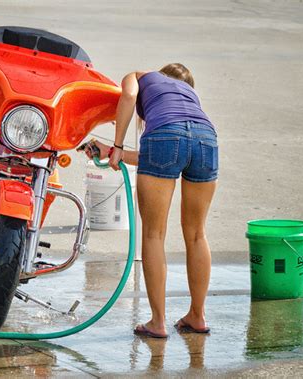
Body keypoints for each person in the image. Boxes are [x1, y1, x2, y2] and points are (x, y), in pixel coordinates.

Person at [83, 63, 218, 338]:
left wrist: (117, 145)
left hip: (165, 138)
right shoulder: (189, 98)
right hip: (207, 139)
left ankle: (158, 322)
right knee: (196, 234)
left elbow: (129, 98)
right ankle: (198, 315)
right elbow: (165, 154)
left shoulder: (140, 76)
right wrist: (112, 152)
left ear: (162, 73)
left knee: (154, 235)